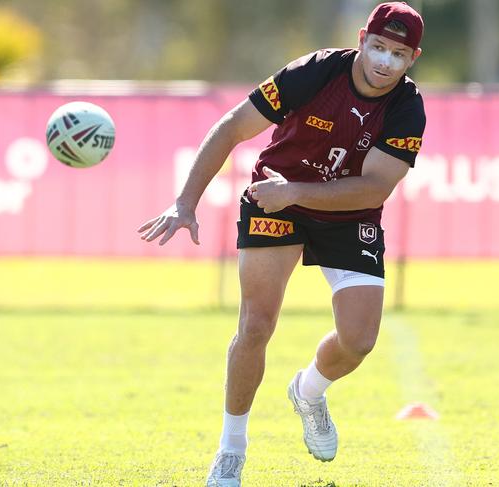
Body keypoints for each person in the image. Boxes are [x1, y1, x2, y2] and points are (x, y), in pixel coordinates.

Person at [138, 2, 425, 485]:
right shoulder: (314, 72)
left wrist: (298, 192)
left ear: (412, 58)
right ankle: (231, 449)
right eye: (378, 47)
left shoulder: (407, 107)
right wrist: (185, 202)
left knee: (359, 342)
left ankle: (309, 391)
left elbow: (375, 188)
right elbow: (232, 127)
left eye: (397, 54)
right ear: (361, 39)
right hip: (275, 197)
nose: (384, 62)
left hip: (347, 214)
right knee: (255, 325)